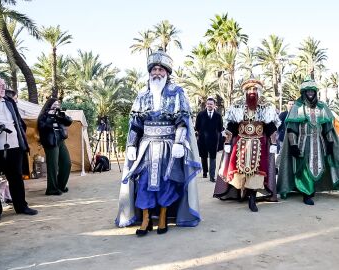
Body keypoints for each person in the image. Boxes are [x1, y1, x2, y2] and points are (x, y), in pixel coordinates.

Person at [115, 49, 201, 235]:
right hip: (146, 147)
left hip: (169, 147)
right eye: (154, 69)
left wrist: (179, 142)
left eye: (161, 70)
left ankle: (162, 216)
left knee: (167, 182)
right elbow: (135, 123)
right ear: (149, 72)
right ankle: (145, 219)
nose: (157, 73)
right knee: (144, 181)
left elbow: (182, 120)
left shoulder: (177, 93)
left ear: (167, 73)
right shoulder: (142, 94)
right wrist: (131, 144)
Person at [277, 78, 339, 205]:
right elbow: (292, 129)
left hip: (320, 144)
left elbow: (328, 128)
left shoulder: (322, 107)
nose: (310, 93)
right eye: (308, 91)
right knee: (304, 169)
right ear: (303, 92)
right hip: (302, 144)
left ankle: (311, 189)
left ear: (315, 92)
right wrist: (293, 145)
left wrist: (330, 143)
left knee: (319, 167)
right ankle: (306, 193)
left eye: (312, 91)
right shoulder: (297, 107)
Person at [213, 77, 280, 212]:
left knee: (257, 173)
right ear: (245, 91)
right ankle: (241, 193)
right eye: (249, 89)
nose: (252, 91)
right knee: (238, 171)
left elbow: (271, 127)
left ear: (259, 91)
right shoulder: (237, 106)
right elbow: (231, 125)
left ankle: (252, 198)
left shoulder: (265, 107)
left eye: (255, 89)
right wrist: (226, 142)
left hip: (259, 143)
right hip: (241, 143)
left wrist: (273, 143)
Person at [0, 76, 38, 221]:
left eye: (3, 85)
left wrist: (22, 140)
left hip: (14, 146)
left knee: (16, 177)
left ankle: (21, 206)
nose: (2, 88)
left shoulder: (9, 102)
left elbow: (18, 121)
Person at [37, 98, 73, 196]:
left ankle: (60, 186)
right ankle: (51, 189)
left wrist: (61, 116)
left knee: (67, 163)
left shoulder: (59, 114)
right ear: (49, 105)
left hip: (60, 140)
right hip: (50, 141)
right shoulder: (43, 115)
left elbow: (69, 122)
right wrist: (51, 117)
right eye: (54, 104)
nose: (56, 106)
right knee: (53, 165)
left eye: (58, 104)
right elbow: (42, 126)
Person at [195, 97, 223, 182]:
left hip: (214, 140)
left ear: (214, 105)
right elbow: (197, 126)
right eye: (208, 104)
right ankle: (205, 172)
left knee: (213, 157)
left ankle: (212, 176)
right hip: (202, 139)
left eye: (211, 104)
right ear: (206, 104)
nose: (209, 105)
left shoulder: (218, 116)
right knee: (203, 156)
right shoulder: (200, 114)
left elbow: (220, 128)